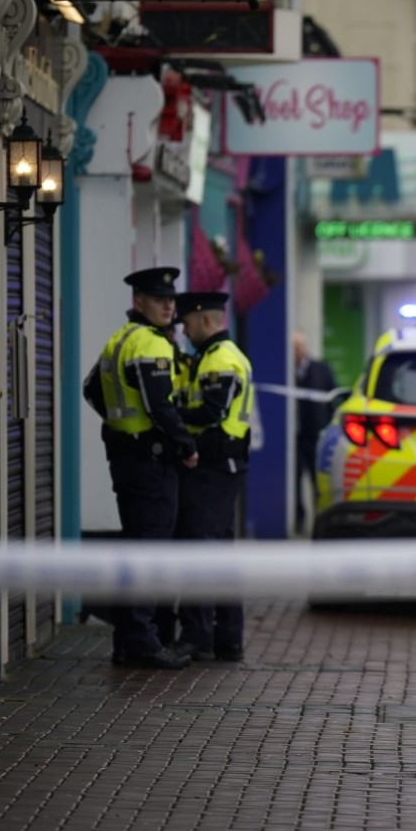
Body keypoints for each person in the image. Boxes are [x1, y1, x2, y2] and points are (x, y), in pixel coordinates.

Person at [83, 267, 198, 670]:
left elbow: (91, 388)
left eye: (170, 299)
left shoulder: (121, 339)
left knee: (135, 544)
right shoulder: (149, 343)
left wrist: (118, 424)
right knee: (148, 549)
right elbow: (158, 404)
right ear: (139, 303)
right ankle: (141, 642)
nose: (169, 305)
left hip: (126, 456)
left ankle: (128, 640)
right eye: (158, 298)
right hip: (150, 461)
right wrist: (185, 444)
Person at [168, 291, 253, 662]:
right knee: (219, 553)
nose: (184, 332)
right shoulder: (209, 357)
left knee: (199, 550)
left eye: (186, 324)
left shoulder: (222, 359)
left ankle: (198, 636)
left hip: (213, 468)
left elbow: (211, 413)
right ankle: (227, 638)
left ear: (205, 319)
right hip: (221, 468)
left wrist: (171, 418)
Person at [294, 331, 337, 534]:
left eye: (298, 347)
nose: (296, 351)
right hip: (293, 438)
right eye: (293, 347)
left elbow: (333, 401)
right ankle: (298, 521)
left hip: (315, 436)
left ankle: (319, 524)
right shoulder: (285, 371)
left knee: (317, 484)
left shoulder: (321, 369)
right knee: (293, 484)